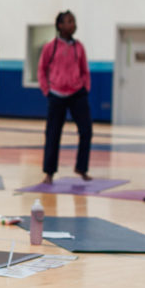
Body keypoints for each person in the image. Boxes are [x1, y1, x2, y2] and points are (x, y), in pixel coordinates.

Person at [38, 11, 92, 184]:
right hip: (56, 95)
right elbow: (41, 69)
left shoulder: (79, 47)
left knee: (87, 131)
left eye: (74, 21)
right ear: (60, 25)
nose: (73, 24)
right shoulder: (50, 47)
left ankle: (81, 168)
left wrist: (86, 87)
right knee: (53, 134)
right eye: (69, 21)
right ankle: (49, 173)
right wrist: (47, 90)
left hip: (77, 93)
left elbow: (85, 70)